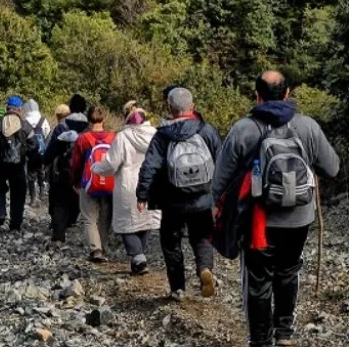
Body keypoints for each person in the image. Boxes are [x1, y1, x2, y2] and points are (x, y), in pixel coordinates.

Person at [212, 71, 339, 347]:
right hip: (298, 218)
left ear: (257, 96)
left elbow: (220, 179)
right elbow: (333, 167)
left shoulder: (243, 129)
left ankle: (260, 340)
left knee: (258, 281)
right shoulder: (308, 127)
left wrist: (215, 207)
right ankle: (284, 334)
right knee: (288, 271)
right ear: (288, 93)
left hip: (258, 220)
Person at [136, 87, 222, 301]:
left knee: (171, 242)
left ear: (170, 108)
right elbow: (222, 162)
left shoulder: (163, 134)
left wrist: (142, 194)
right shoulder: (206, 130)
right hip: (203, 198)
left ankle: (177, 288)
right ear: (192, 107)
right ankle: (205, 269)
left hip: (172, 200)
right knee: (202, 237)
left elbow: (150, 166)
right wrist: (222, 194)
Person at [92, 102, 160, 275]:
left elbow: (111, 163)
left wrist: (96, 167)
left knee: (127, 225)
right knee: (145, 220)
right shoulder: (156, 135)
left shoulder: (123, 137)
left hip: (127, 184)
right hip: (151, 184)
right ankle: (140, 255)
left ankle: (138, 257)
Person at [71, 106, 116, 262]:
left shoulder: (83, 139)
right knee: (105, 217)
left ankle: (95, 249)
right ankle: (104, 246)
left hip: (88, 182)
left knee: (89, 218)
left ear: (88, 119)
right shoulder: (113, 137)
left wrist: (76, 182)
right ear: (104, 119)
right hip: (109, 182)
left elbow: (76, 163)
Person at [0, 96, 37, 231]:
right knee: (18, 192)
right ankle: (15, 223)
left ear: (7, 107)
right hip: (18, 165)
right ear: (19, 109)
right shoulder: (25, 125)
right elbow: (35, 145)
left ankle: (0, 213)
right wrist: (24, 153)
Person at [44, 96, 88, 242]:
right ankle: (72, 220)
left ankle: (59, 233)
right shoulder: (89, 127)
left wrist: (45, 161)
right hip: (82, 170)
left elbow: (52, 150)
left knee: (60, 200)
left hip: (63, 169)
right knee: (76, 197)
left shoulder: (62, 126)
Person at [23, 99, 51, 206]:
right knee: (41, 171)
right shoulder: (43, 119)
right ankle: (42, 192)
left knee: (31, 174)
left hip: (30, 152)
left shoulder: (25, 121)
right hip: (42, 152)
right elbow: (47, 134)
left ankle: (33, 198)